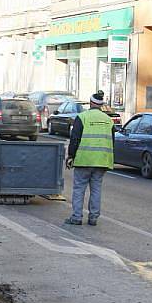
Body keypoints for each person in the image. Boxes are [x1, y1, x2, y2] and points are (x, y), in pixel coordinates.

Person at [64, 90, 114, 226]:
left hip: (84, 160)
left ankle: (76, 217)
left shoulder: (82, 117)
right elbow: (112, 141)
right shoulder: (108, 120)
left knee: (79, 189)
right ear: (101, 105)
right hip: (102, 161)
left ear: (91, 103)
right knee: (96, 189)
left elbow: (75, 139)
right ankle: (93, 218)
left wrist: (71, 156)